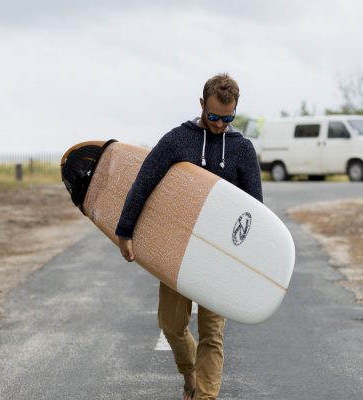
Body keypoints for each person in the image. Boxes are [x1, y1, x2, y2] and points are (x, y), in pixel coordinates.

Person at [115, 73, 263, 400]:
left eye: (228, 118)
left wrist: (248, 261)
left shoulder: (241, 149)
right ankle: (189, 373)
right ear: (201, 105)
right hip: (178, 249)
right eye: (213, 117)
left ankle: (205, 396)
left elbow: (255, 211)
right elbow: (144, 183)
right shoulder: (178, 140)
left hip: (220, 256)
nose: (220, 124)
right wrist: (125, 231)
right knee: (171, 325)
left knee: (212, 334)